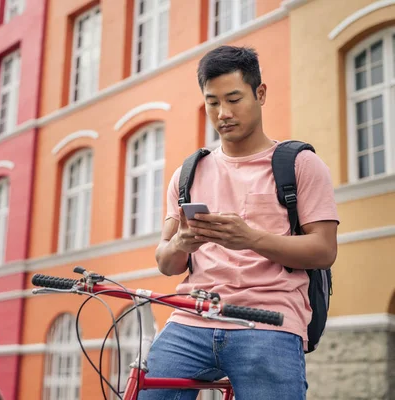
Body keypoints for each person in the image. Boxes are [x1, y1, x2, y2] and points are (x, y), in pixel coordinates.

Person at [140, 46, 340, 399]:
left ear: (260, 93)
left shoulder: (300, 164)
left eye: (234, 99)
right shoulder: (188, 173)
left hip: (269, 320)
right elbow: (166, 263)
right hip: (191, 318)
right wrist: (182, 244)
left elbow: (323, 251)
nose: (223, 113)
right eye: (212, 102)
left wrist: (249, 238)